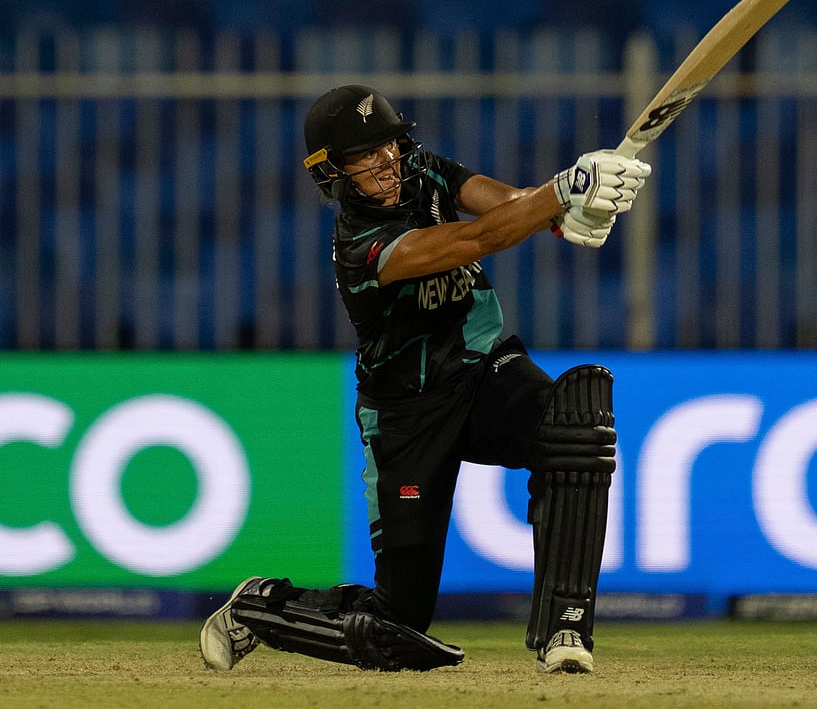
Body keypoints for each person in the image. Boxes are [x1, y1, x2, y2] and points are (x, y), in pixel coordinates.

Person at [199, 85, 649, 674]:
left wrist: (569, 213)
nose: (385, 162)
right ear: (332, 171)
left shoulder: (424, 169)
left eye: (388, 145)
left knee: (575, 428)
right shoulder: (361, 246)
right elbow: (478, 238)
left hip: (484, 371)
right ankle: (260, 606)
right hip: (406, 416)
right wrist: (563, 192)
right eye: (364, 155)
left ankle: (564, 629)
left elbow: (509, 204)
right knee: (398, 619)